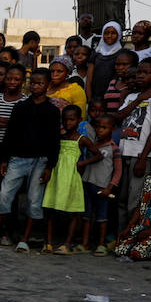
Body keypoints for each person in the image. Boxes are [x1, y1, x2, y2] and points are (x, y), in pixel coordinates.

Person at [0, 69, 59, 252]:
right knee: (4, 195)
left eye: (40, 83)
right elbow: (11, 134)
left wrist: (50, 166)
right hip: (17, 158)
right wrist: (5, 159)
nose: (36, 86)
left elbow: (54, 140)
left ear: (47, 85)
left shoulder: (52, 110)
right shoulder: (21, 106)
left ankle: (25, 239)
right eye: (33, 83)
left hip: (40, 160)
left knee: (33, 200)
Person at [113, 59, 151, 237]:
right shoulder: (131, 97)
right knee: (121, 199)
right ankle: (121, 237)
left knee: (135, 202)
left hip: (140, 156)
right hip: (123, 153)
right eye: (139, 73)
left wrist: (143, 158)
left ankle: (132, 238)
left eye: (146, 73)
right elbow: (118, 117)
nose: (140, 76)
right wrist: (138, 100)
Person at [42, 105, 90, 253]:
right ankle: (48, 242)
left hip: (71, 178)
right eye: (65, 120)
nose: (68, 123)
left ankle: (67, 243)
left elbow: (99, 154)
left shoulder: (82, 139)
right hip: (56, 176)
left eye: (71, 119)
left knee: (72, 211)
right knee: (50, 209)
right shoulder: (59, 137)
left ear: (79, 120)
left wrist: (82, 163)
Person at [77, 114, 121, 255]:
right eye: (98, 127)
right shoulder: (92, 145)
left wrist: (110, 187)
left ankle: (101, 244)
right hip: (88, 183)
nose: (100, 130)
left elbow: (118, 171)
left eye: (104, 127)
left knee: (102, 217)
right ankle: (85, 243)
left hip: (102, 187)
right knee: (87, 216)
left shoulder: (114, 148)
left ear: (112, 129)